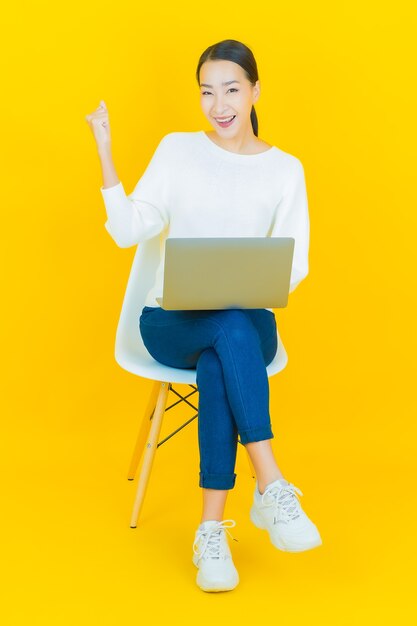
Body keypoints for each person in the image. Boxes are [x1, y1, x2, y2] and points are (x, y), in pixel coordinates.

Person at [86, 38, 322, 594]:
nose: (219, 104)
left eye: (232, 89)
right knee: (226, 332)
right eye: (207, 92)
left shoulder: (286, 170)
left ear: (255, 91)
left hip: (244, 326)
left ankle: (211, 533)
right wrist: (105, 157)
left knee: (230, 337)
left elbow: (295, 262)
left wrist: (247, 283)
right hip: (171, 323)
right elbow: (128, 231)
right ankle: (271, 484)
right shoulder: (176, 150)